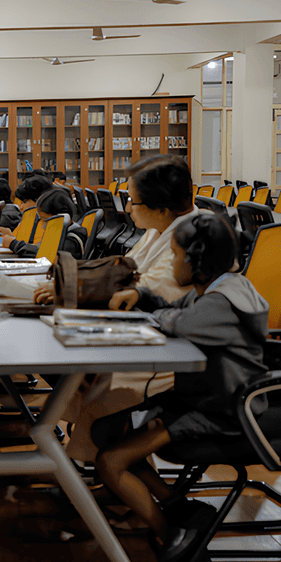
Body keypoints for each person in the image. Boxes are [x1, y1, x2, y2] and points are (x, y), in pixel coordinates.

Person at [94, 213, 268, 562]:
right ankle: (184, 511)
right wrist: (143, 296)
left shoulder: (222, 304)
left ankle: (175, 534)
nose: (171, 266)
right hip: (202, 399)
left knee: (109, 461)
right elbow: (178, 309)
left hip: (223, 411)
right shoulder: (221, 287)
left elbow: (180, 323)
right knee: (109, 431)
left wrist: (156, 312)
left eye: (175, 257)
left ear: (196, 261)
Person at [32, 155, 200, 463]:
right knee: (76, 368)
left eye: (132, 202)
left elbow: (141, 288)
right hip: (148, 333)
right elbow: (123, 273)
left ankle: (100, 466)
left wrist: (74, 287)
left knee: (97, 383)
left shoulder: (193, 238)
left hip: (177, 350)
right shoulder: (159, 228)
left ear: (159, 207)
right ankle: (93, 463)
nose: (125, 209)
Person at [1, 188, 88, 258]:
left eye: (45, 220)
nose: (42, 226)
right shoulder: (59, 233)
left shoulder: (73, 238)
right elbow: (40, 248)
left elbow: (45, 255)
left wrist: (14, 244)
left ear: (60, 217)